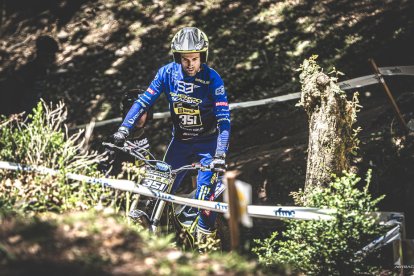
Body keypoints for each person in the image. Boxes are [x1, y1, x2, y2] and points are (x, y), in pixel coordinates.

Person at [111, 27, 231, 248]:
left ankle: (207, 245)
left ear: (203, 57)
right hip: (180, 144)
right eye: (185, 59)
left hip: (208, 146)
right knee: (160, 192)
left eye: (195, 58)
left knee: (205, 200)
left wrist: (220, 154)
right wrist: (124, 129)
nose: (190, 64)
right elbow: (143, 102)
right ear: (178, 58)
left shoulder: (213, 79)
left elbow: (224, 119)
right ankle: (164, 238)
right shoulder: (166, 73)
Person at [101, 89, 152, 175]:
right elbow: (104, 170)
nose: (138, 117)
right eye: (133, 112)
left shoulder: (149, 134)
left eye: (143, 112)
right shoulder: (115, 138)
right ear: (125, 113)